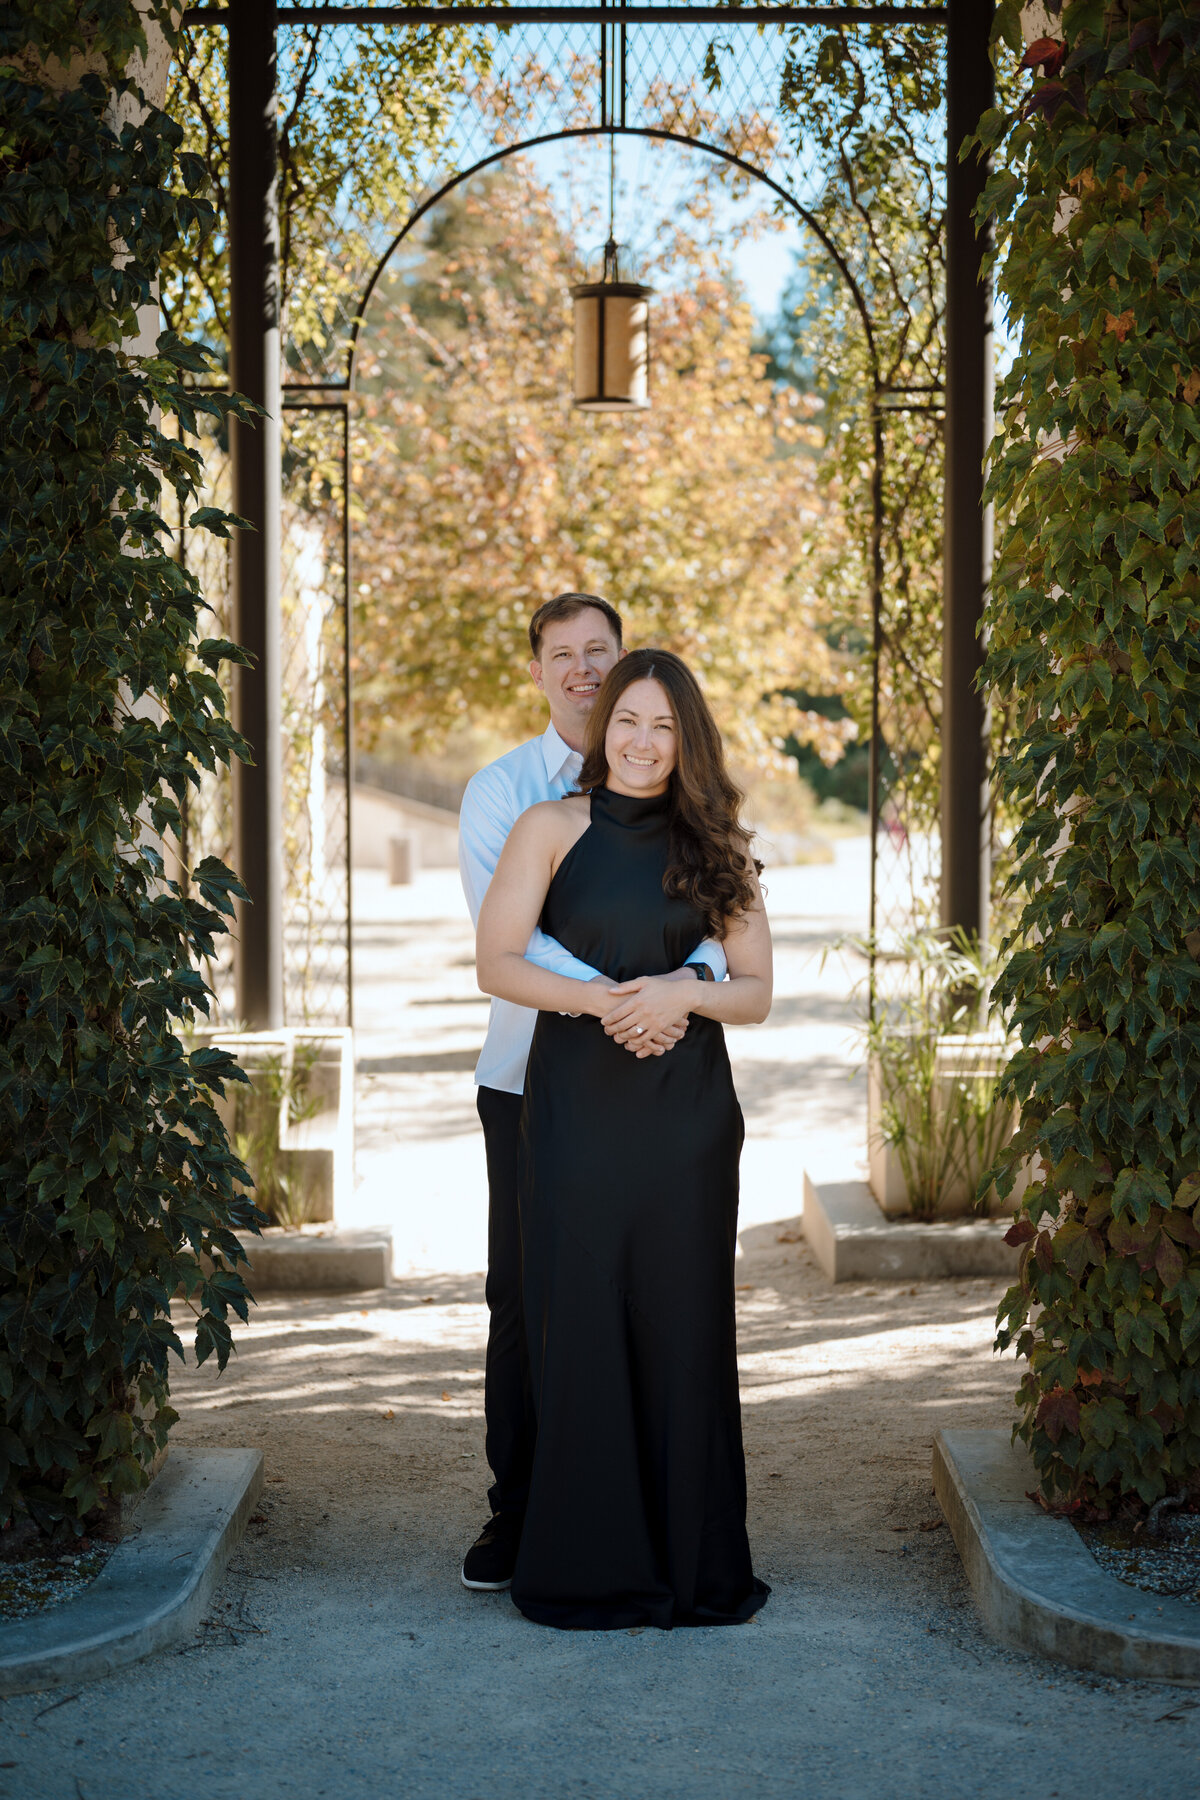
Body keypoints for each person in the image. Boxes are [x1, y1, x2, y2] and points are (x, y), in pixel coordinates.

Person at [476, 648, 772, 1629]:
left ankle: (694, 1570)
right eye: (628, 721)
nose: (643, 743)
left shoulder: (719, 844)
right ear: (604, 728)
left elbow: (756, 992)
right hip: (574, 1112)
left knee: (681, 1326)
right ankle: (584, 1565)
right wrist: (609, 1003)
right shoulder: (548, 827)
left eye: (663, 726)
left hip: (684, 1122)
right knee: (582, 1320)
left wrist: (686, 991)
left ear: (689, 738)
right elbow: (498, 962)